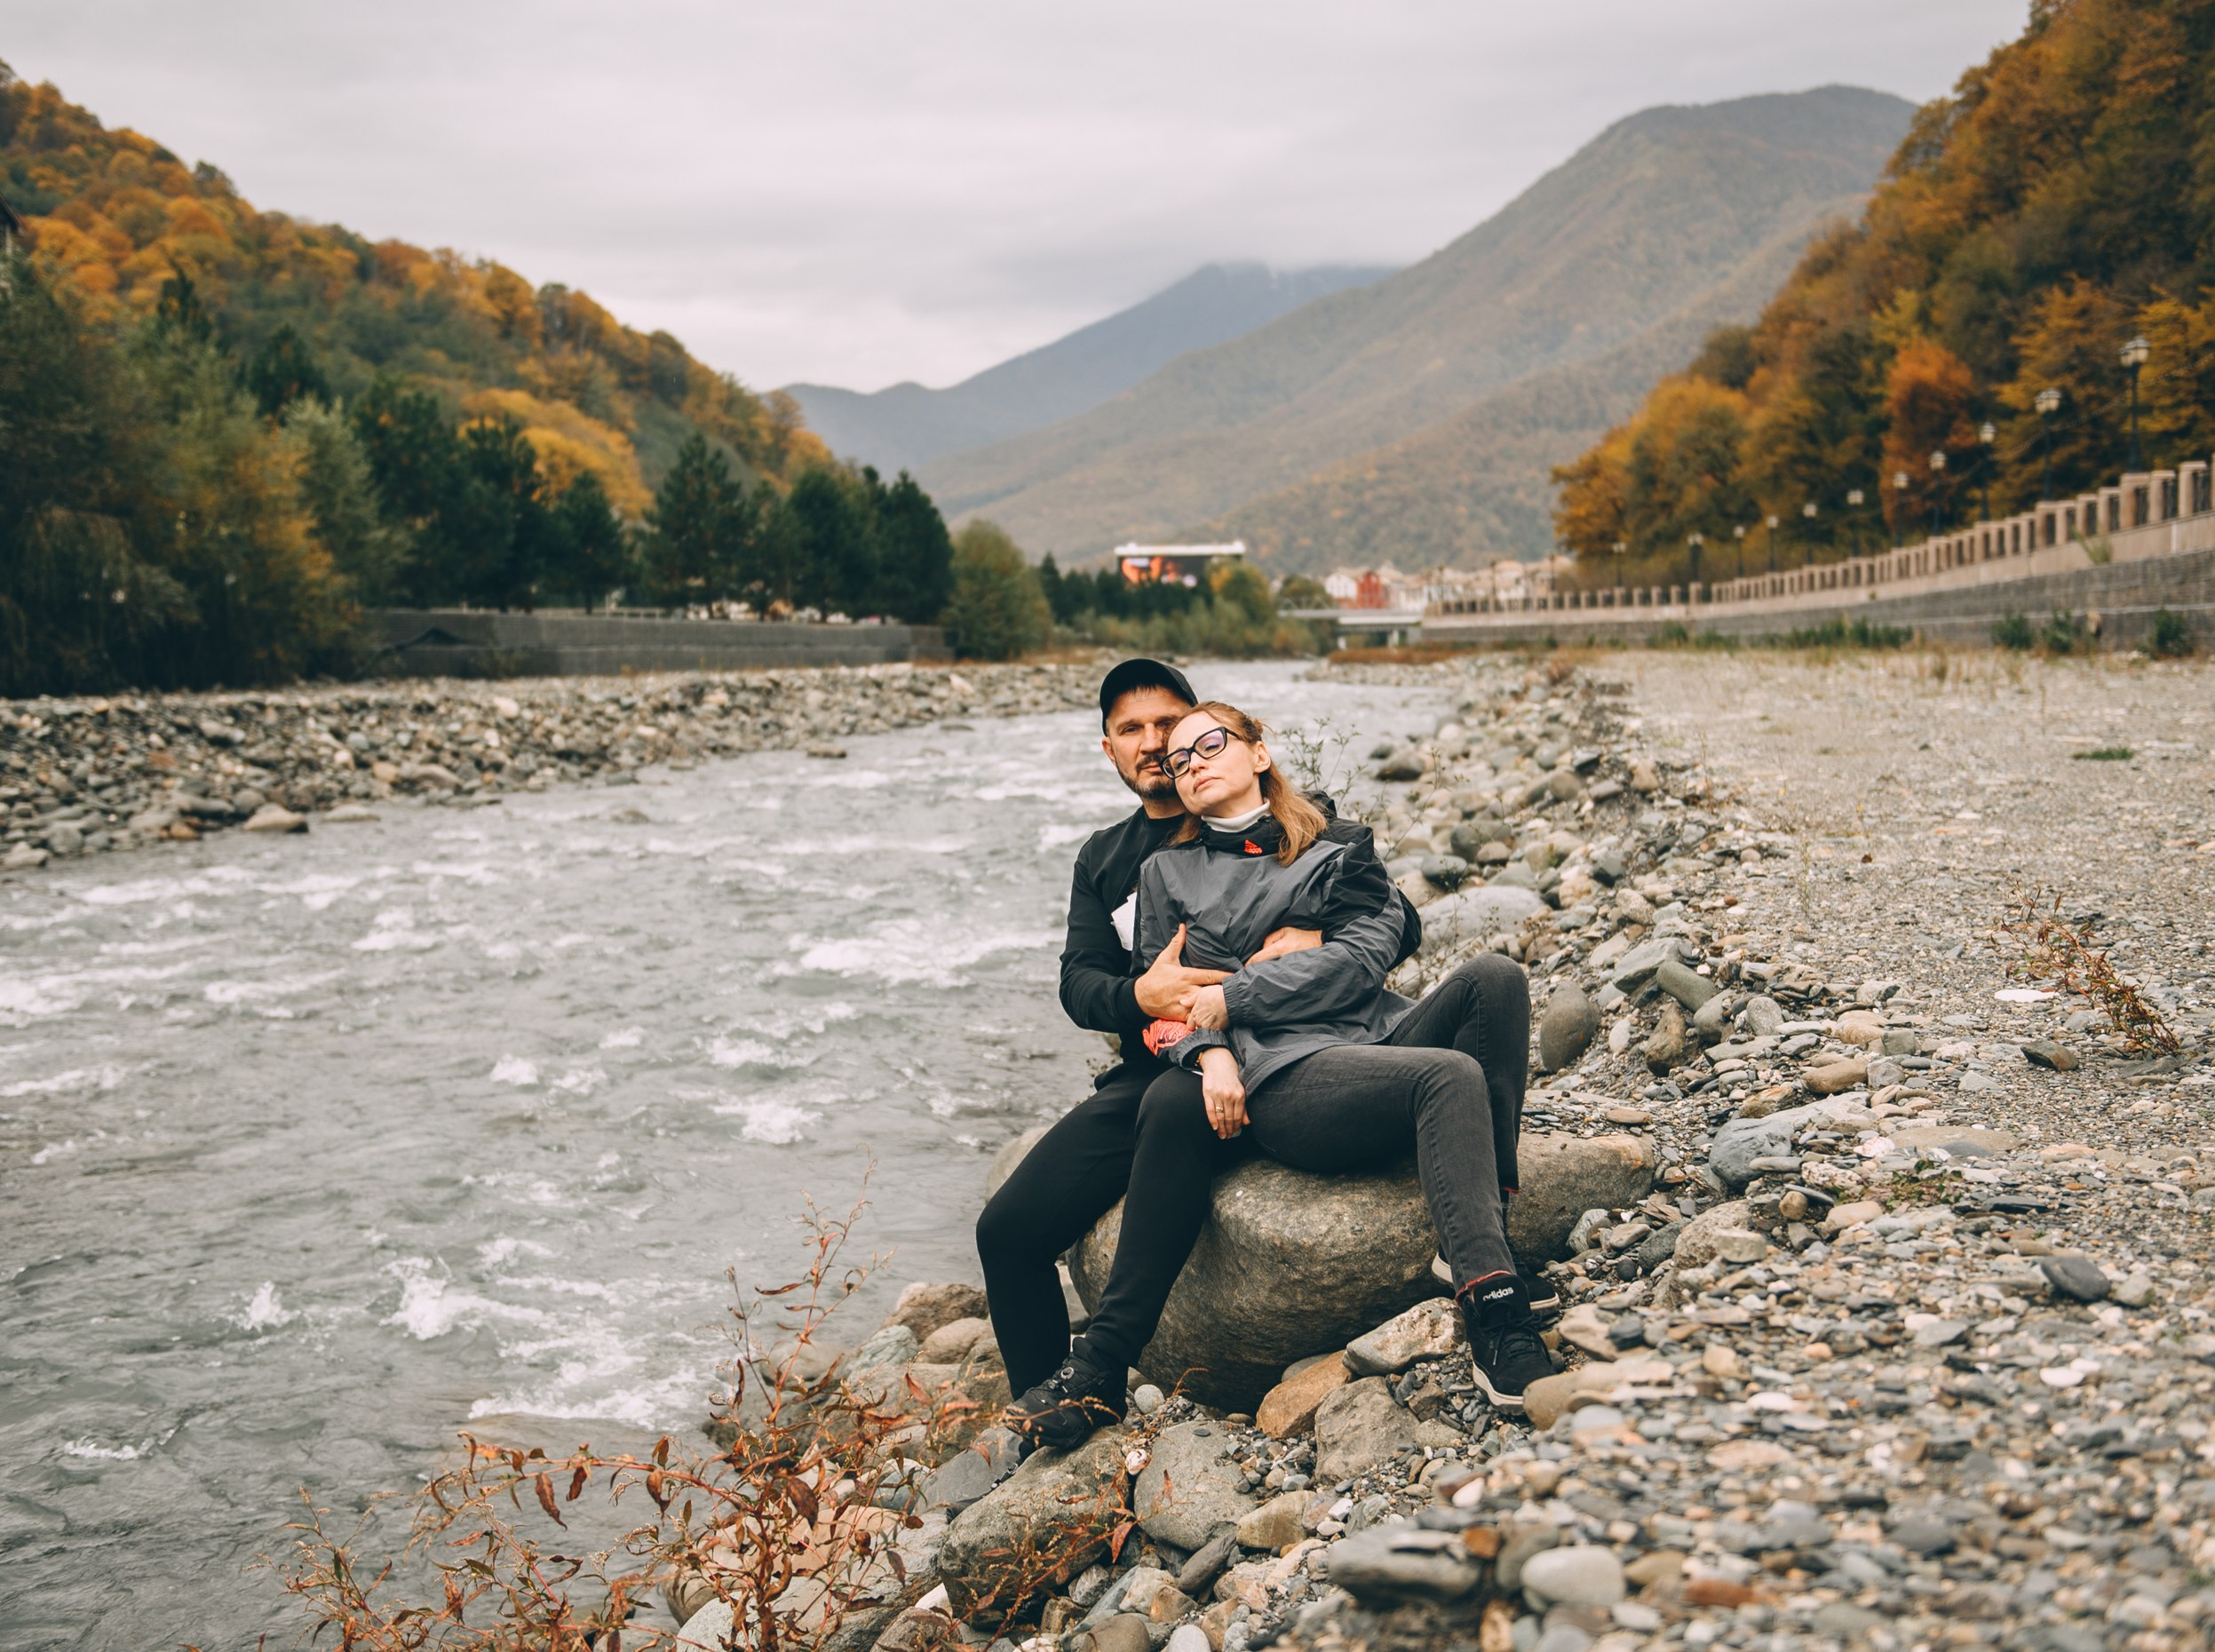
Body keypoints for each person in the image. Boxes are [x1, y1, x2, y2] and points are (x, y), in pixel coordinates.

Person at [976, 668, 1541, 1448]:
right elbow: (1081, 984)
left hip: (1288, 1042)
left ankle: (1491, 1258)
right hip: (1175, 1057)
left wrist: (1300, 951)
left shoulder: (1308, 828)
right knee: (1011, 1228)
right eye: (1139, 735)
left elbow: (1386, 921)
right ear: (1110, 749)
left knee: (1490, 987)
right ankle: (1054, 1411)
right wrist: (1147, 999)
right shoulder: (1120, 862)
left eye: (1179, 730)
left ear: (1251, 748)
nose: (1162, 749)